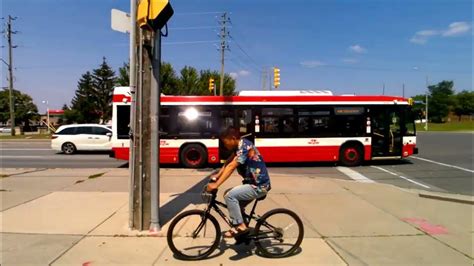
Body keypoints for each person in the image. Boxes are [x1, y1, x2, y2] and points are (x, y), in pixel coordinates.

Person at [206, 127, 271, 238]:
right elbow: (228, 162)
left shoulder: (244, 147)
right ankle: (243, 234)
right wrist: (218, 175)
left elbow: (232, 167)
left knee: (229, 196)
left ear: (233, 138)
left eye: (225, 142)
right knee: (235, 204)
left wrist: (216, 185)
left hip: (259, 186)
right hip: (251, 184)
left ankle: (240, 226)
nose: (224, 145)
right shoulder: (238, 147)